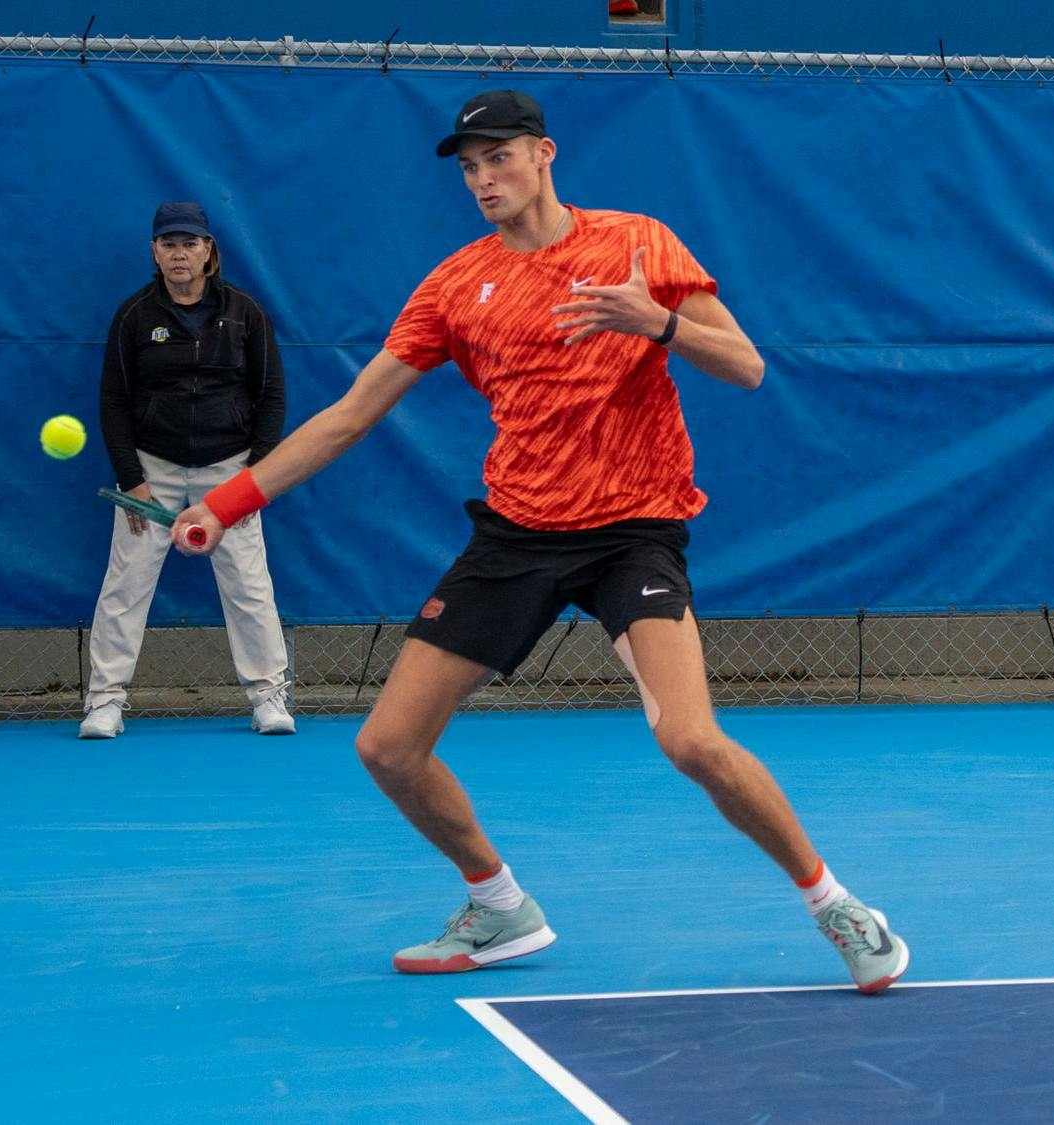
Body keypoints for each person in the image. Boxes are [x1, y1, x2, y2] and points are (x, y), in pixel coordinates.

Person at [170, 91, 909, 993]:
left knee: (690, 740)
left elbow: (747, 366)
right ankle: (500, 906)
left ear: (546, 154)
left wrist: (658, 322)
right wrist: (230, 499)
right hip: (517, 532)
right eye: (470, 167)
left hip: (634, 529)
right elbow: (351, 417)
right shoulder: (454, 285)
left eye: (500, 158)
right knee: (388, 747)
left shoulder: (639, 243)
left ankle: (836, 903)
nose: (483, 180)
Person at [81, 201, 294, 739]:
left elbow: (270, 395)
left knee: (249, 583)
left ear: (209, 252)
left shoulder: (246, 313)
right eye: (169, 244)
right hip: (153, 470)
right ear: (154, 252)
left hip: (230, 471)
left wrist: (255, 479)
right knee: (126, 583)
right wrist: (132, 477)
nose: (180, 253)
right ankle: (104, 701)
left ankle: (269, 696)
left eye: (190, 244)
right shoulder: (134, 316)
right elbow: (114, 400)